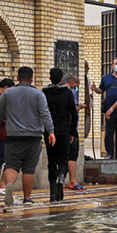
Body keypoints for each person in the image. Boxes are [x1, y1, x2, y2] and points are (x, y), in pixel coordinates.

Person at [0, 66, 56, 206]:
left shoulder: (7, 93)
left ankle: (9, 185)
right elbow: (45, 113)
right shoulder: (38, 94)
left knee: (11, 165)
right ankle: (27, 198)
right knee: (29, 168)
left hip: (13, 137)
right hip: (33, 138)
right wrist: (51, 131)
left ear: (17, 78)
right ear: (32, 78)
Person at [42, 68, 78, 201]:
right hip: (64, 131)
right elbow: (74, 114)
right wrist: (72, 132)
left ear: (50, 78)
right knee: (64, 158)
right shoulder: (67, 93)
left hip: (49, 131)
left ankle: (52, 191)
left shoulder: (44, 93)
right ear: (62, 79)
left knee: (51, 159)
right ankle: (61, 181)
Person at [91, 57, 117, 159]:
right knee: (109, 132)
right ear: (112, 66)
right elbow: (101, 90)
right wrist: (95, 89)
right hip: (110, 110)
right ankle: (109, 152)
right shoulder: (106, 78)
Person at [64, 75, 87, 191]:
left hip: (60, 127)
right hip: (70, 127)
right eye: (77, 85)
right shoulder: (71, 92)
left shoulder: (59, 91)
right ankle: (72, 180)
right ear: (74, 83)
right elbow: (73, 110)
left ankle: (61, 180)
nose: (77, 88)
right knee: (72, 154)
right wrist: (80, 107)